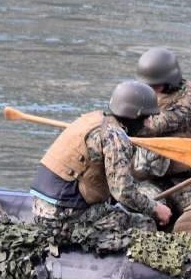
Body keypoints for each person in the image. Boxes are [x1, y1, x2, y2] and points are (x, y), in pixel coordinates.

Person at [30, 81, 173, 232]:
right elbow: (123, 192)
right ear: (135, 116)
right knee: (144, 223)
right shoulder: (116, 137)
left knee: (119, 206)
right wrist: (156, 209)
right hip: (63, 216)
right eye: (147, 118)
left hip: (39, 207)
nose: (149, 124)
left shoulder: (92, 119)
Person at [132, 47, 191, 217]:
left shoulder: (190, 103)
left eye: (155, 85)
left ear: (169, 81)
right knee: (142, 209)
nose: (150, 90)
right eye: (146, 85)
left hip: (184, 181)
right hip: (149, 178)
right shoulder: (148, 94)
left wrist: (120, 123)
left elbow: (152, 127)